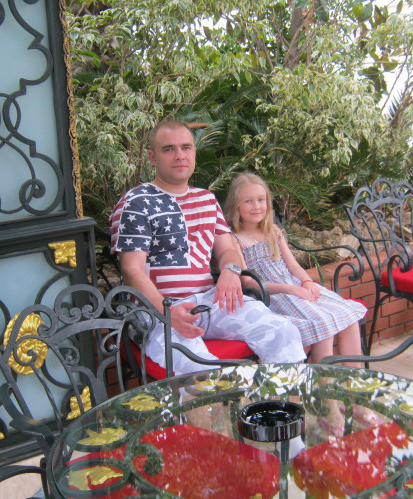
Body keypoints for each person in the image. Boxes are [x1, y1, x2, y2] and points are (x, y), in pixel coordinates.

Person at [109, 120, 307, 374]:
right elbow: (132, 270)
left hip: (211, 302)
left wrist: (231, 271)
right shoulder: (136, 202)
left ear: (194, 152)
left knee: (283, 332)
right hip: (156, 312)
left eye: (186, 147)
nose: (179, 155)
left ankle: (277, 399)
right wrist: (167, 312)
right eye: (168, 149)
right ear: (152, 158)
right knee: (199, 370)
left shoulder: (206, 199)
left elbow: (228, 251)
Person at [224, 172, 367, 363]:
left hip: (294, 286)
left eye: (261, 200)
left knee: (349, 316)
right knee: (323, 325)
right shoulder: (234, 239)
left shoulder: (273, 232)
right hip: (271, 295)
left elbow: (293, 266)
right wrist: (290, 289)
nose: (256, 206)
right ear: (236, 206)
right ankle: (322, 380)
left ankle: (353, 377)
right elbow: (248, 282)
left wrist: (306, 281)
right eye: (248, 201)